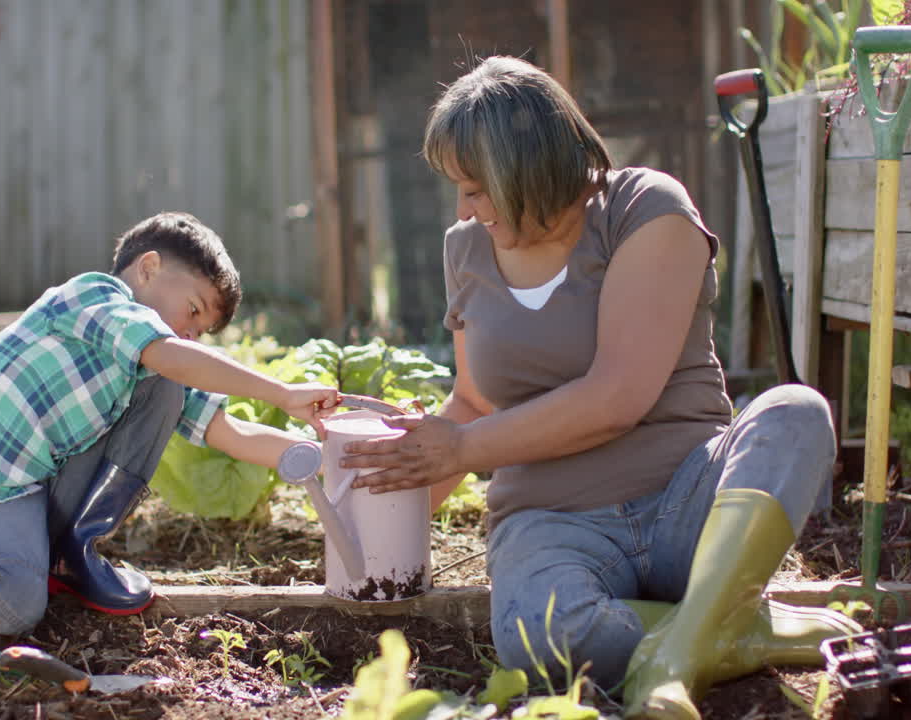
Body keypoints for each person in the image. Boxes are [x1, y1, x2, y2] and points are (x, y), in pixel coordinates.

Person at [340, 56, 861, 720]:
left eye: (475, 187)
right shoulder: (466, 248)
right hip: (550, 523)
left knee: (795, 413)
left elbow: (619, 395)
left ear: (527, 168)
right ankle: (734, 630)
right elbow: (473, 402)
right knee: (536, 633)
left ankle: (674, 659)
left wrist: (465, 447)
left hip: (687, 499)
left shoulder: (643, 208)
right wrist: (385, 498)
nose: (463, 207)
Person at [0, 211, 339, 665]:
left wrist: (329, 456)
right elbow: (167, 351)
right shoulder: (90, 297)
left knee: (170, 380)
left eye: (202, 332)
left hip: (42, 491)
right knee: (16, 604)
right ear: (148, 268)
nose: (191, 335)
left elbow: (229, 431)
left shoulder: (161, 359)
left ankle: (74, 552)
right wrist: (282, 390)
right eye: (193, 311)